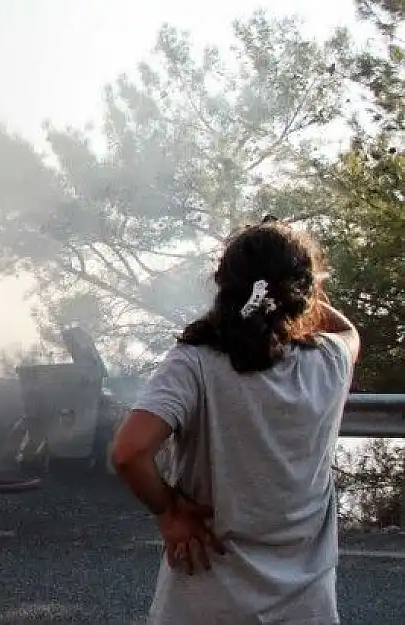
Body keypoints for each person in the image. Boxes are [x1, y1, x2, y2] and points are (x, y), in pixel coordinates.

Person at [111, 217, 360, 624]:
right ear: (304, 291)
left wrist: (170, 512)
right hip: (306, 608)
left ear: (224, 285)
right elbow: (348, 329)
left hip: (205, 602)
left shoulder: (194, 362)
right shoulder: (330, 360)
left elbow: (130, 452)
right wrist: (299, 291)